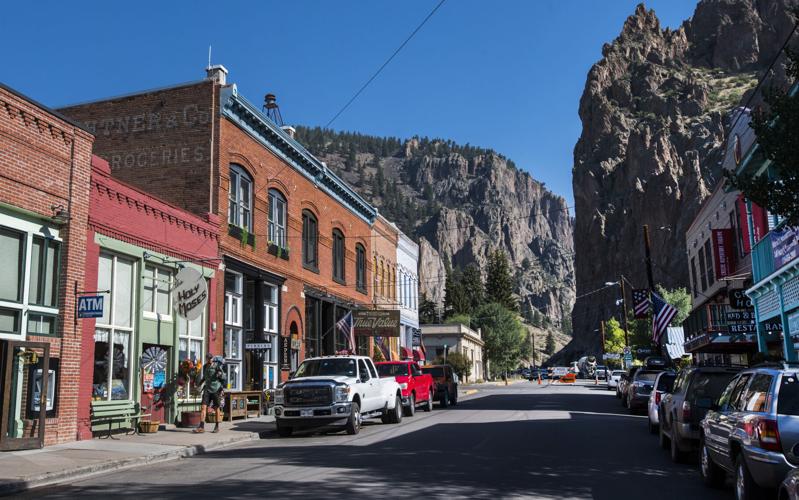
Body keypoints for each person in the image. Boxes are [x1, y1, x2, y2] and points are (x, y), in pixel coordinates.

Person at [194, 353, 227, 433]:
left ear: (212, 358)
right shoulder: (205, 366)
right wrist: (199, 384)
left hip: (216, 389)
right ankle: (201, 427)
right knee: (203, 407)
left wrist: (220, 374)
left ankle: (217, 426)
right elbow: (204, 377)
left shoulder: (217, 366)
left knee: (216, 408)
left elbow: (224, 377)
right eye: (207, 358)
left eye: (210, 358)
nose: (209, 360)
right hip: (207, 389)